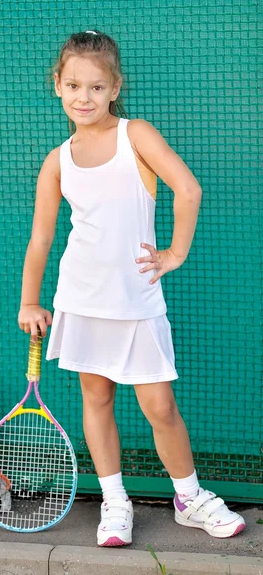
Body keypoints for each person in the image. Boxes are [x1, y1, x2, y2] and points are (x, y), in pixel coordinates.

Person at [17, 30, 245, 546]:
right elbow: (41, 239)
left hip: (137, 301)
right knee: (95, 398)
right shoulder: (57, 161)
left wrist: (175, 253)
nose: (84, 96)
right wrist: (30, 300)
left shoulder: (136, 135)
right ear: (57, 86)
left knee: (159, 406)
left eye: (97, 87)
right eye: (73, 84)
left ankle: (189, 498)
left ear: (115, 87)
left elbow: (188, 190)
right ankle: (115, 502)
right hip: (80, 299)